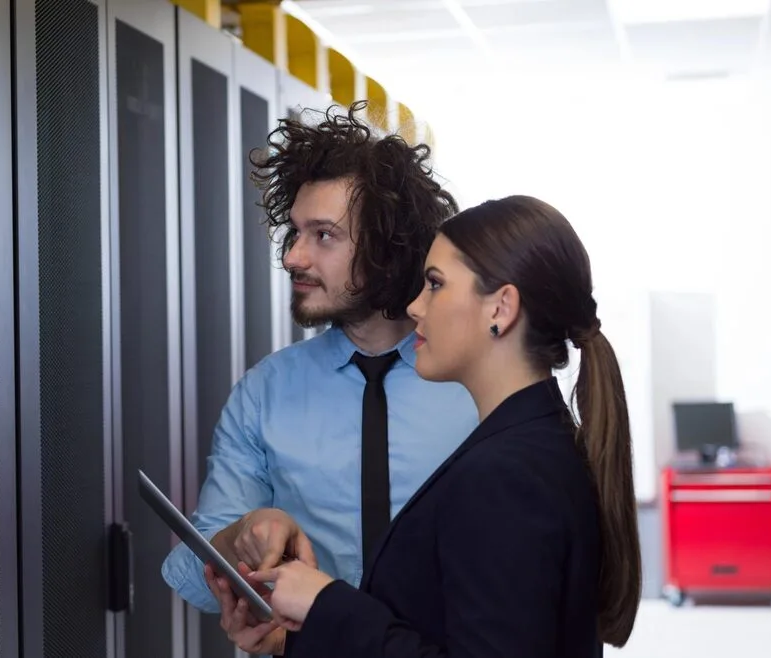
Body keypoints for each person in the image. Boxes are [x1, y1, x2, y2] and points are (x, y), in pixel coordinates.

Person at [242, 195, 643, 657]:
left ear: (500, 309)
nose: (414, 307)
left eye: (435, 284)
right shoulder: (532, 444)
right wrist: (297, 637)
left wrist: (325, 603)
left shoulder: (505, 475)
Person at [160, 101, 480, 655]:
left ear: (387, 247)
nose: (293, 257)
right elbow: (193, 576)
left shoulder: (476, 388)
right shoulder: (266, 391)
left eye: (324, 235)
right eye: (295, 232)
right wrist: (241, 535)